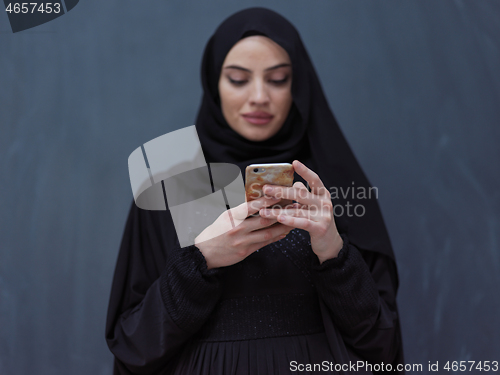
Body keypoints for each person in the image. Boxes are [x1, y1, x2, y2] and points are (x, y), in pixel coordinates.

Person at [105, 7, 404, 375]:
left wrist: (333, 252)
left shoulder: (329, 183)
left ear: (299, 85)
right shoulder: (173, 178)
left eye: (278, 79)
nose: (259, 96)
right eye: (238, 79)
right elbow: (133, 343)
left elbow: (382, 344)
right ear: (214, 82)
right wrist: (202, 261)